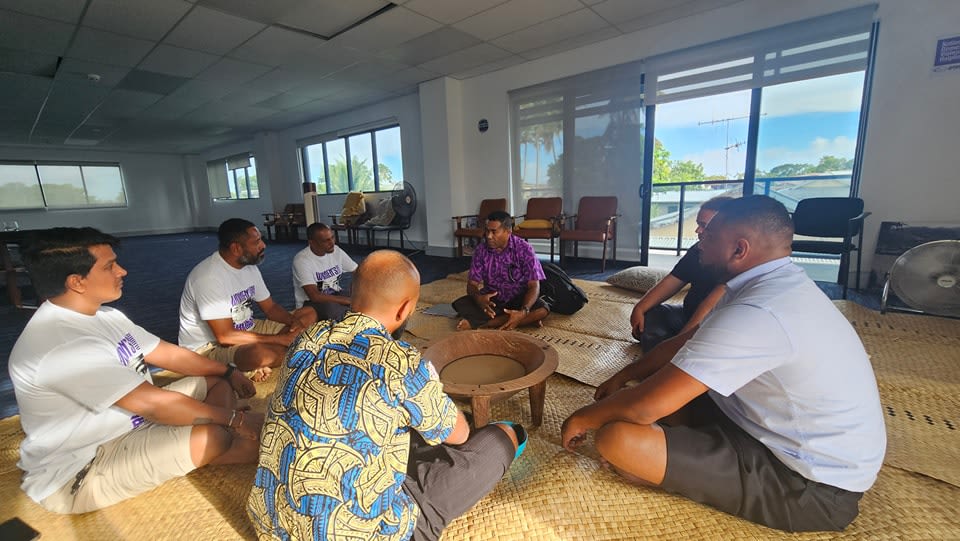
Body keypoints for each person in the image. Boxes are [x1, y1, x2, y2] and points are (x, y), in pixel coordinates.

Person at [561, 196, 886, 532]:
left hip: (810, 486)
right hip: (762, 429)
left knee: (617, 438)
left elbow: (644, 407)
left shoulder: (761, 312)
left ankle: (665, 473)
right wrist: (626, 373)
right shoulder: (767, 285)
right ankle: (687, 459)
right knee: (665, 389)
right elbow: (684, 344)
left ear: (739, 249)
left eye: (708, 236)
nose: (698, 242)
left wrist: (582, 417)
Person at [248, 250, 524, 540]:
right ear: (405, 309)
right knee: (503, 435)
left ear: (353, 295)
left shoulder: (308, 338)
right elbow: (458, 434)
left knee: (397, 425)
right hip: (361, 532)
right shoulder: (401, 362)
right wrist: (427, 384)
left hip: (272, 524)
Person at [8, 227, 264, 514]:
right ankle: (215, 439)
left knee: (217, 382)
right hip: (84, 467)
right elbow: (152, 404)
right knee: (218, 437)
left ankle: (204, 437)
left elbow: (169, 355)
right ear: (77, 282)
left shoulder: (104, 315)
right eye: (109, 266)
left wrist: (229, 372)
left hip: (137, 421)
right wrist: (232, 420)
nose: (123, 271)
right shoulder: (60, 344)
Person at [178, 218, 316, 382]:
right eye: (256, 242)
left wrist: (294, 322)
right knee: (259, 356)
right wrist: (281, 339)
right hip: (209, 347)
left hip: (247, 329)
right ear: (236, 248)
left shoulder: (249, 267)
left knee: (308, 313)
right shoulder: (208, 278)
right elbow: (225, 336)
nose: (263, 245)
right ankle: (262, 359)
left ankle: (279, 351)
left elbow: (270, 308)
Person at [629, 196, 732, 351]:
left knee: (697, 341)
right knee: (651, 315)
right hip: (687, 315)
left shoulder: (735, 262)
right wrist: (639, 308)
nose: (698, 230)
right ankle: (672, 349)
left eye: (704, 226)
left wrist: (678, 343)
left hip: (714, 326)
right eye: (698, 224)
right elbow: (672, 281)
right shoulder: (698, 250)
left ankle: (671, 353)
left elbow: (708, 307)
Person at [453, 210, 550, 331]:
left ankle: (484, 324)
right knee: (462, 304)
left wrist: (524, 311)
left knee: (543, 309)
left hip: (518, 299)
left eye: (494, 232)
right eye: (487, 231)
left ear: (508, 231)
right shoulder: (480, 251)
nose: (488, 236)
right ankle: (524, 320)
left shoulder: (524, 249)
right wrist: (479, 299)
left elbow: (534, 286)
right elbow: (472, 285)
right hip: (493, 301)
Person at [291, 222, 358, 321]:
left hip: (335, 294)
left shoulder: (336, 251)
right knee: (334, 310)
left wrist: (355, 287)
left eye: (332, 237)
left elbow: (358, 271)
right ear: (312, 243)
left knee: (365, 298)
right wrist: (346, 300)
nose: (332, 243)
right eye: (326, 241)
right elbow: (314, 296)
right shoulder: (301, 260)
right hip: (311, 302)